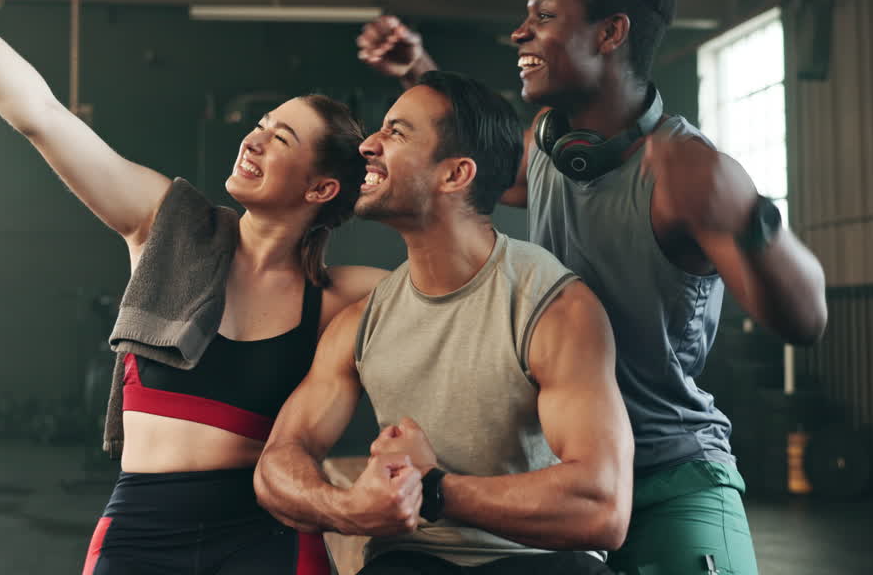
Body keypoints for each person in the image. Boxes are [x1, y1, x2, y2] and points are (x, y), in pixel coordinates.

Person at [0, 0, 386, 575]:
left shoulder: (340, 297)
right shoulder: (168, 227)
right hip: (144, 528)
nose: (255, 137)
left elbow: (468, 284)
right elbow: (40, 116)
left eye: (283, 138)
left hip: (266, 539)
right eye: (262, 124)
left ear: (322, 187)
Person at [355, 0, 829, 575]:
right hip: (558, 474)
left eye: (544, 17)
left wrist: (747, 213)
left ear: (611, 33)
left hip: (667, 474)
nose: (520, 33)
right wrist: (419, 71)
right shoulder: (551, 148)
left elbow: (806, 321)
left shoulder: (688, 171)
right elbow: (467, 162)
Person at [254, 71, 632, 574]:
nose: (368, 144)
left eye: (396, 132)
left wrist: (431, 490)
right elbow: (277, 462)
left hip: (539, 561)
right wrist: (351, 508)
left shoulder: (555, 307)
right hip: (413, 561)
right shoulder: (363, 322)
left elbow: (602, 507)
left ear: (455, 175)